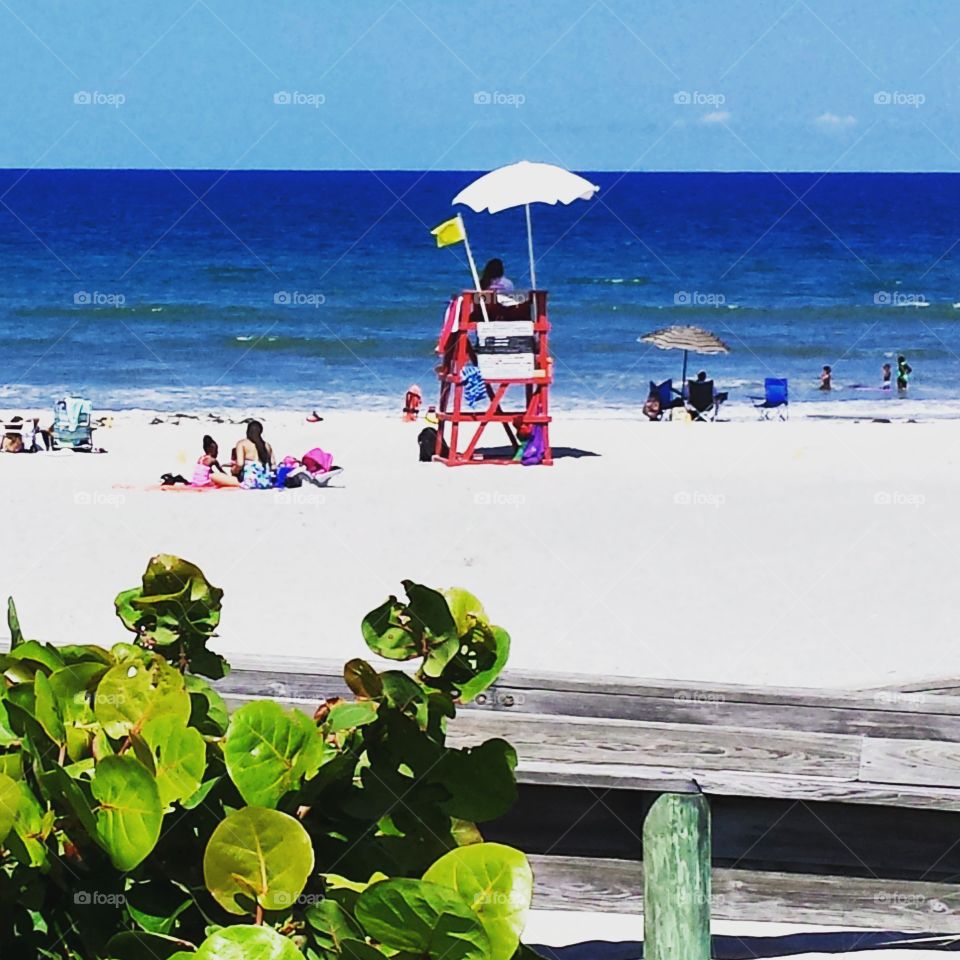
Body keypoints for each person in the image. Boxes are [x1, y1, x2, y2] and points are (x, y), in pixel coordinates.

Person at [231, 420, 275, 489]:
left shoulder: (242, 443)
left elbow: (240, 464)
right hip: (266, 482)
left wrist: (233, 470)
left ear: (248, 431)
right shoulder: (267, 445)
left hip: (249, 483)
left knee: (215, 477)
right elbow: (273, 466)